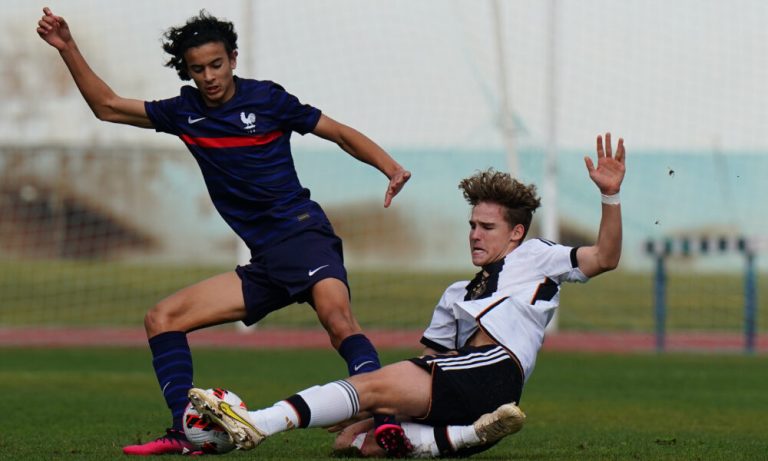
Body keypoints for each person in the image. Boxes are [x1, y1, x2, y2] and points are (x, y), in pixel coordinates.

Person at [36, 7, 412, 456]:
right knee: (162, 319)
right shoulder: (184, 112)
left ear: (233, 59)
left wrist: (388, 166)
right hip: (266, 260)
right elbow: (108, 107)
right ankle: (184, 431)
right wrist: (68, 48)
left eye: (217, 64)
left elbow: (337, 133)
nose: (210, 76)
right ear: (188, 71)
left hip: (302, 233)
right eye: (198, 69)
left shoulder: (267, 100)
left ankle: (386, 421)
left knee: (338, 322)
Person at [188, 133, 626, 458]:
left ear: (516, 233)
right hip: (463, 386)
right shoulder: (457, 292)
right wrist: (376, 410)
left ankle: (256, 423)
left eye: (487, 228)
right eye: (472, 225)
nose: (474, 235)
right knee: (355, 443)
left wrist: (611, 196)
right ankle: (470, 435)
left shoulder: (536, 255)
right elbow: (428, 356)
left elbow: (605, 257)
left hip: (492, 370)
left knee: (370, 386)